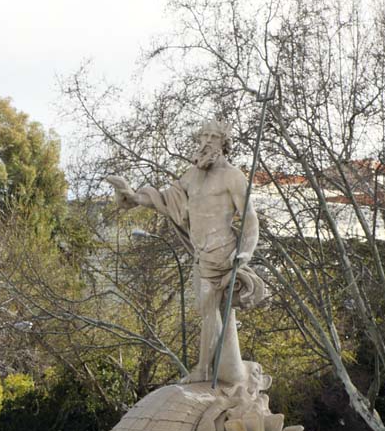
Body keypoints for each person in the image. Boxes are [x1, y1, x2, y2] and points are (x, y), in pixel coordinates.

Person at [106, 119, 267, 385]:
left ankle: (206, 370)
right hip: (201, 255)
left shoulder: (233, 176)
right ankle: (214, 371)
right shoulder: (192, 176)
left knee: (212, 310)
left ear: (223, 144)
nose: (205, 142)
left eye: (212, 137)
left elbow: (250, 218)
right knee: (207, 311)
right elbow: (167, 200)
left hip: (224, 253)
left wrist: (245, 252)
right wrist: (132, 195)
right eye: (202, 136)